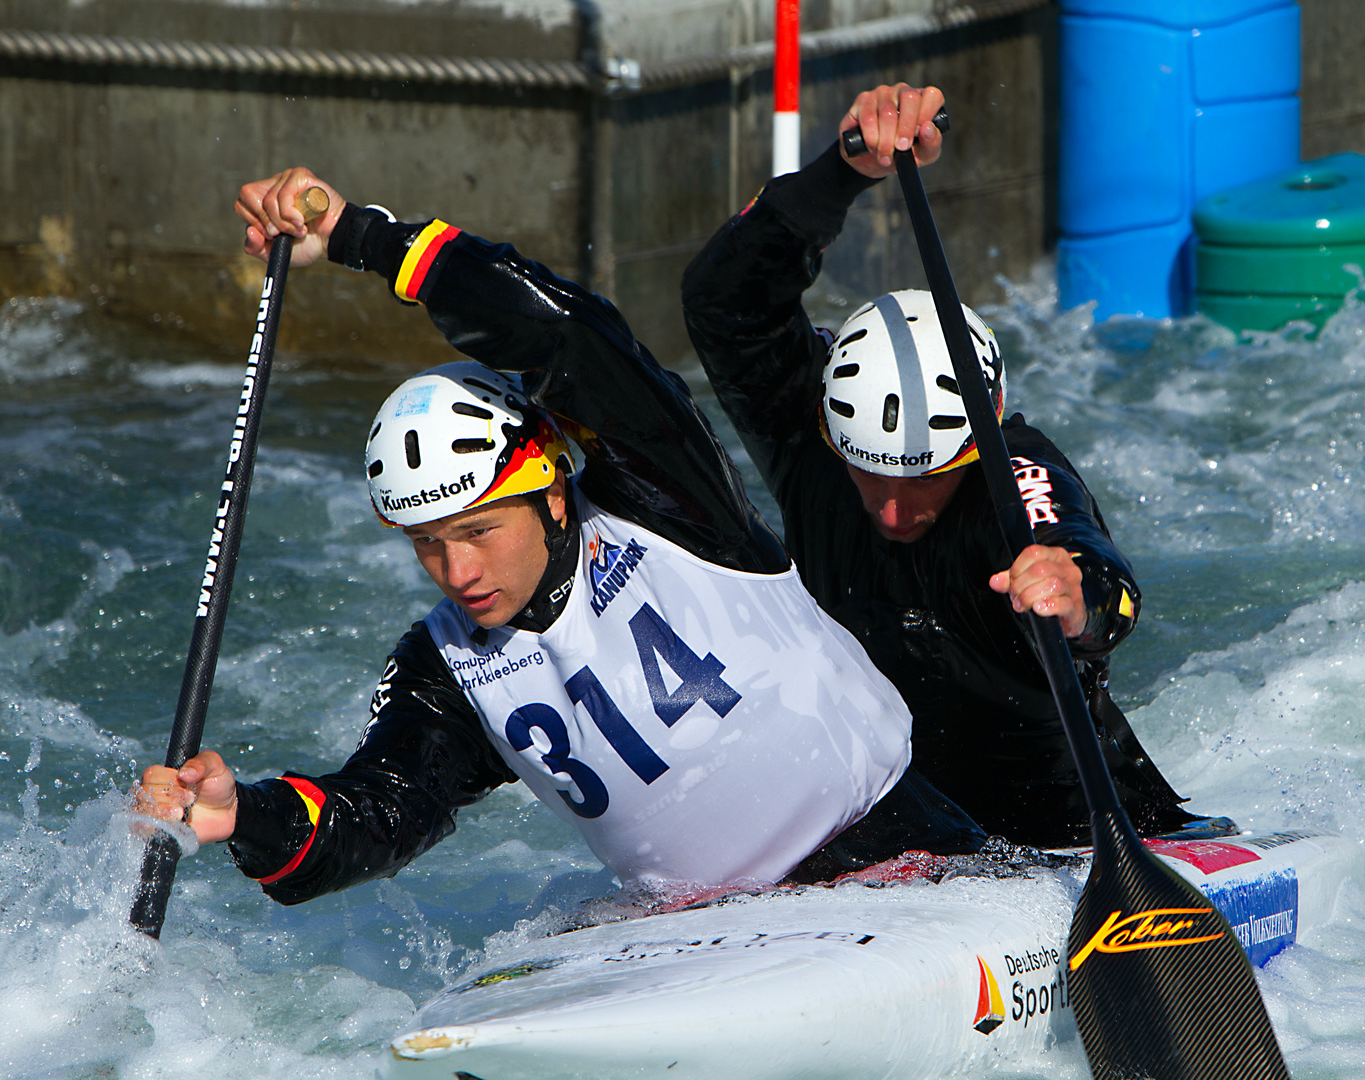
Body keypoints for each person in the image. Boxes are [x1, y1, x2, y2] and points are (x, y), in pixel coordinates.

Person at [134, 167, 984, 905]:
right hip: (707, 937)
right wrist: (246, 815)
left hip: (901, 855)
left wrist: (364, 236)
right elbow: (380, 811)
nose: (455, 570)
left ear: (548, 492)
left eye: (476, 529)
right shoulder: (450, 666)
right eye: (424, 542)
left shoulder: (666, 498)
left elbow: (567, 335)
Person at [681, 84, 1198, 848]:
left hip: (1069, 834)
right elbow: (726, 299)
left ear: (982, 429)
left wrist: (1076, 597)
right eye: (868, 475)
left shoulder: (1012, 472)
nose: (891, 512)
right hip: (892, 830)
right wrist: (847, 168)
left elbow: (1106, 590)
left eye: (921, 480)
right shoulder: (812, 427)